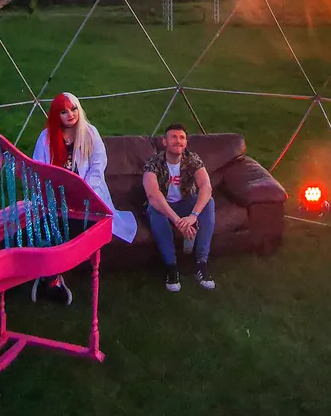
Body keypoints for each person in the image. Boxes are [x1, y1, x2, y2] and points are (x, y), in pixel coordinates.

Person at [31, 92, 138, 304]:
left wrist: (83, 190)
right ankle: (53, 277)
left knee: (78, 227)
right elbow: (39, 170)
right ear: (56, 116)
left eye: (74, 109)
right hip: (57, 200)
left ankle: (49, 275)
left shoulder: (89, 132)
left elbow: (99, 164)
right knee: (52, 224)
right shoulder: (46, 138)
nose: (70, 114)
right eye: (64, 111)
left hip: (88, 197)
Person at [142, 124, 215, 292]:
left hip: (186, 204)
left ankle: (201, 264)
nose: (178, 141)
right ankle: (171, 268)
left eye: (182, 138)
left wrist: (193, 216)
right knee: (155, 209)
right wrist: (177, 221)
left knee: (208, 201)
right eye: (173, 137)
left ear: (186, 143)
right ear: (164, 141)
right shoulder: (154, 162)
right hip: (165, 207)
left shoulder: (192, 159)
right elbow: (153, 195)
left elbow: (206, 186)